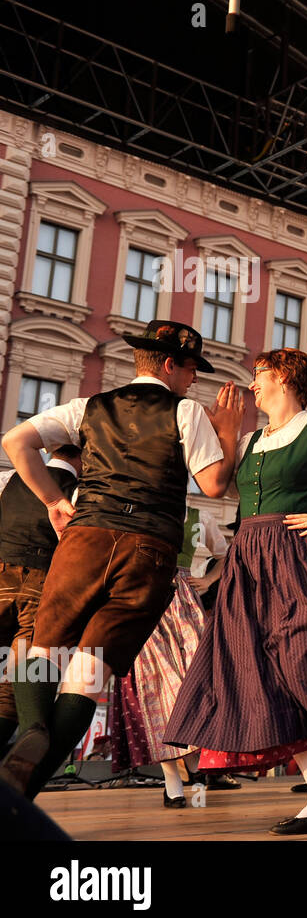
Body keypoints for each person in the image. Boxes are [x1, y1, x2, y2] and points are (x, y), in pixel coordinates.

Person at [0, 320, 241, 800]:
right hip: (148, 548)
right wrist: (230, 432)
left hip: (85, 536)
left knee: (44, 649)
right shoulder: (187, 411)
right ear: (171, 365)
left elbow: (15, 443)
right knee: (91, 670)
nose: (194, 380)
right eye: (192, 369)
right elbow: (214, 486)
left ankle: (32, 728)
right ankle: (25, 786)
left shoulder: (88, 406)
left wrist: (54, 500)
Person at [165, 347, 307, 835]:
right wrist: (226, 432)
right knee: (266, 676)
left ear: (286, 379)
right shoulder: (251, 440)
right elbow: (217, 489)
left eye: (260, 374)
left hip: (300, 556)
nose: (252, 384)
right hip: (250, 560)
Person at [107, 506, 231, 807]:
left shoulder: (198, 517)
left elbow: (227, 554)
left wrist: (210, 579)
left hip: (183, 605)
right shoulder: (137, 507)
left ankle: (192, 769)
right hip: (143, 600)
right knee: (156, 690)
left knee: (195, 686)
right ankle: (175, 782)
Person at [0, 444, 81, 754]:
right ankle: (27, 747)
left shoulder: (9, 479)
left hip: (2, 576)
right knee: (21, 676)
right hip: (42, 586)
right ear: (82, 457)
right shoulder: (79, 493)